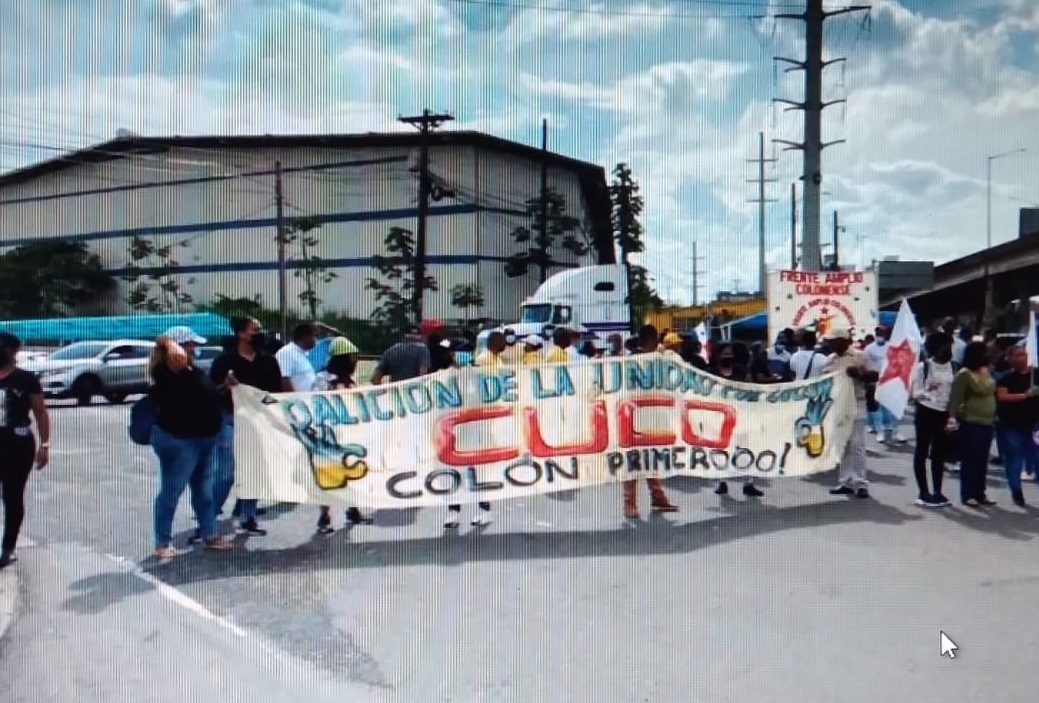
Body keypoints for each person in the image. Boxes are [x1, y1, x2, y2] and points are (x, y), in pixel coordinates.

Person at [149, 327, 233, 558]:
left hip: (204, 438)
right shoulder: (167, 370)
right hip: (181, 439)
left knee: (204, 492)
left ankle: (209, 534)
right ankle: (162, 542)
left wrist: (224, 386)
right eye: (190, 345)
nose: (194, 349)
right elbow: (163, 342)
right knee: (172, 490)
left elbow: (206, 396)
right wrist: (170, 344)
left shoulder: (191, 370)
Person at [209, 317, 282, 536]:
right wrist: (226, 385)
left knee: (254, 469)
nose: (259, 334)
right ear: (241, 334)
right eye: (254, 330)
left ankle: (248, 517)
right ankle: (208, 516)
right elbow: (211, 392)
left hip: (258, 421)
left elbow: (276, 393)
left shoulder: (268, 361)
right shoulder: (225, 361)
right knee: (227, 472)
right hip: (230, 418)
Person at [0, 333, 50, 569]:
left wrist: (45, 444)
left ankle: (7, 547)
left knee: (12, 496)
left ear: (12, 352)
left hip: (16, 442)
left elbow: (40, 412)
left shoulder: (26, 380)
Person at [316, 336, 374, 529]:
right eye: (352, 357)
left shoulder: (351, 381)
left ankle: (353, 510)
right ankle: (325, 516)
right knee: (328, 474)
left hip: (350, 435)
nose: (355, 361)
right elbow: (315, 403)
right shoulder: (323, 379)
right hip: (328, 435)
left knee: (353, 471)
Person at [621, 325, 679, 519]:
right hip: (635, 417)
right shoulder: (634, 361)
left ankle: (657, 497)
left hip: (648, 416)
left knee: (650, 458)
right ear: (653, 340)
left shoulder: (655, 359)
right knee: (633, 461)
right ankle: (630, 503)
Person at [446, 332, 501, 528]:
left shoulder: (478, 373)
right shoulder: (447, 375)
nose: (454, 356)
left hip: (478, 431)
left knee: (477, 473)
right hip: (456, 433)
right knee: (454, 472)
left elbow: (488, 399)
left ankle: (485, 510)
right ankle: (453, 512)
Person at [824, 327, 877, 499]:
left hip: (856, 404)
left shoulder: (859, 356)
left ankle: (861, 483)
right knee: (844, 445)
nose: (830, 344)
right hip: (838, 407)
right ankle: (845, 482)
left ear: (844, 341)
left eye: (833, 341)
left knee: (857, 445)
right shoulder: (830, 359)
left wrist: (859, 374)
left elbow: (874, 376)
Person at [708, 343, 764, 498]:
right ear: (718, 355)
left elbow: (750, 387)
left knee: (745, 448)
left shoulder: (740, 370)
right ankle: (721, 482)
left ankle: (749, 483)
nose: (728, 357)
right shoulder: (711, 373)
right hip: (720, 418)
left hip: (741, 415)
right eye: (725, 354)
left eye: (730, 354)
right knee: (722, 450)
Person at [948, 341, 998, 508]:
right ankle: (968, 494)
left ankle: (980, 492)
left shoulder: (985, 372)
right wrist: (952, 418)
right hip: (971, 421)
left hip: (987, 421)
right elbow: (957, 396)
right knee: (970, 459)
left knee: (982, 460)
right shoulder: (965, 374)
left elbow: (991, 390)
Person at [910, 332, 956, 508]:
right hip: (926, 411)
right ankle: (923, 492)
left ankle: (938, 491)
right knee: (922, 450)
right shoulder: (924, 367)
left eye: (950, 346)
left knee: (939, 454)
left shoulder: (953, 367)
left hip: (943, 413)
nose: (948, 350)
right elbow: (915, 393)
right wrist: (928, 391)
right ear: (935, 348)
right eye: (945, 346)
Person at [994, 345, 1039, 506]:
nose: (1022, 358)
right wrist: (1024, 395)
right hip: (1011, 425)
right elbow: (1002, 396)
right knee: (1015, 459)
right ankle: (1016, 490)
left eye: (1024, 354)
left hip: (1034, 425)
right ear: (1010, 358)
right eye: (1018, 355)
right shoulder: (1006, 378)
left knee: (1036, 458)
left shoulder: (1036, 374)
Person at [864, 327, 906, 444]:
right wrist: (868, 381)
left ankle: (896, 431)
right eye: (878, 333)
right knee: (877, 408)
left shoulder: (891, 347)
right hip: (875, 381)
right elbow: (865, 365)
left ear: (886, 335)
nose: (879, 335)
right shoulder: (869, 349)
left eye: (881, 333)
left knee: (894, 407)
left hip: (890, 380)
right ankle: (880, 431)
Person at [276, 323, 319, 393]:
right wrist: (294, 398)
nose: (316, 340)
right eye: (314, 336)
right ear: (305, 337)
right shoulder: (286, 352)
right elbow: (284, 380)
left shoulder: (303, 353)